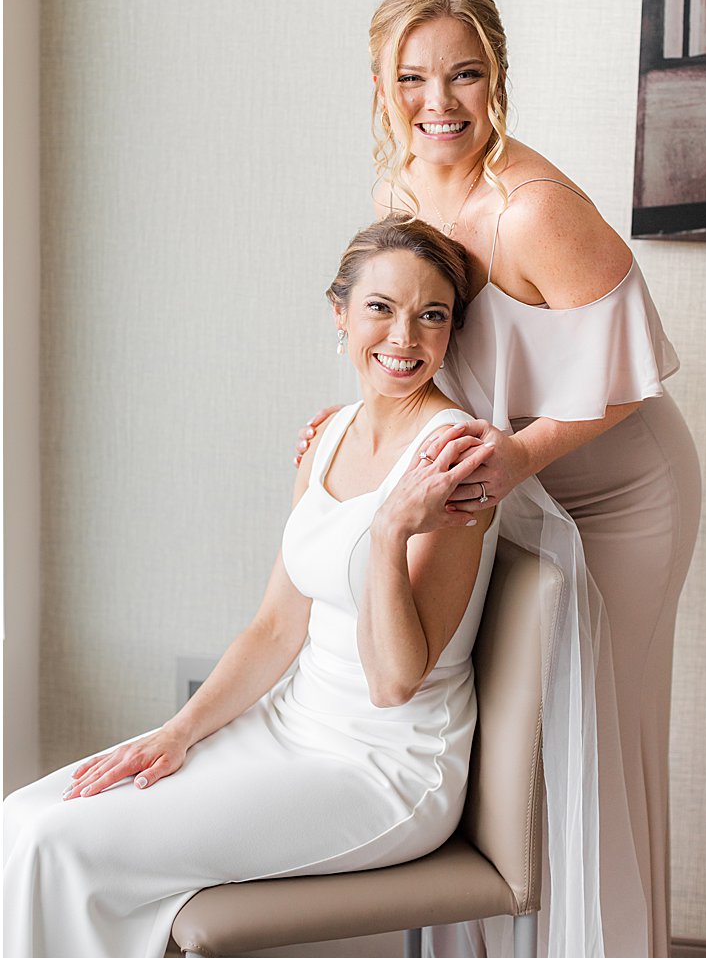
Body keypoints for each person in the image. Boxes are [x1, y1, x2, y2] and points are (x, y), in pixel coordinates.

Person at [295, 0, 702, 957]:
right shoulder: (400, 182)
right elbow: (411, 332)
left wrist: (517, 454)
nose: (439, 105)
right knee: (499, 744)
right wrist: (359, 421)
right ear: (382, 84)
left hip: (614, 492)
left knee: (596, 745)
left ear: (498, 78)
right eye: (414, 78)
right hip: (500, 483)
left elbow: (631, 378)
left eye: (465, 75)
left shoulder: (530, 210)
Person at [3, 217, 500, 958]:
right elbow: (275, 627)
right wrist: (177, 733)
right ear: (339, 313)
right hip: (287, 724)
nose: (405, 336)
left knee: (60, 843)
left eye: (432, 314)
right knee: (24, 816)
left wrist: (394, 529)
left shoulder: (456, 458)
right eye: (381, 307)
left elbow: (396, 683)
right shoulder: (330, 434)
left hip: (386, 767)